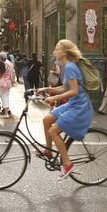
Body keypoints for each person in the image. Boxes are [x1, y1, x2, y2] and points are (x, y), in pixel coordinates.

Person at [38, 40, 93, 179]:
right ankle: (49, 152)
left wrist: (54, 99)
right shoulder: (66, 66)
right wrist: (47, 89)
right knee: (46, 120)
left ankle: (67, 163)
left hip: (79, 106)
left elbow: (73, 91)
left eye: (57, 49)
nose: (54, 52)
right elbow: (65, 87)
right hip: (73, 103)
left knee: (53, 130)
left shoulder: (70, 67)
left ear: (64, 52)